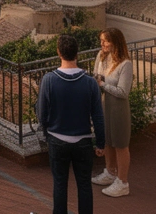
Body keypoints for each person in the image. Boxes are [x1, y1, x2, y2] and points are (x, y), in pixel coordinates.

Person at [37, 34, 105, 214]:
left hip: (57, 139)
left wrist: (45, 133)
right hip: (83, 140)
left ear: (59, 52)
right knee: (84, 185)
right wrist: (100, 142)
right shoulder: (90, 83)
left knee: (59, 184)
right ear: (77, 53)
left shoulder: (49, 80)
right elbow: (98, 115)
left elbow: (41, 113)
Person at [91, 27, 133, 198]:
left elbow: (123, 92)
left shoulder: (125, 64)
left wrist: (103, 85)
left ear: (115, 43)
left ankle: (122, 182)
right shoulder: (101, 57)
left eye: (105, 41)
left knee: (121, 144)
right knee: (108, 139)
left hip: (118, 108)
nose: (102, 44)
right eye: (101, 40)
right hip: (103, 105)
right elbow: (96, 75)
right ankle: (110, 172)